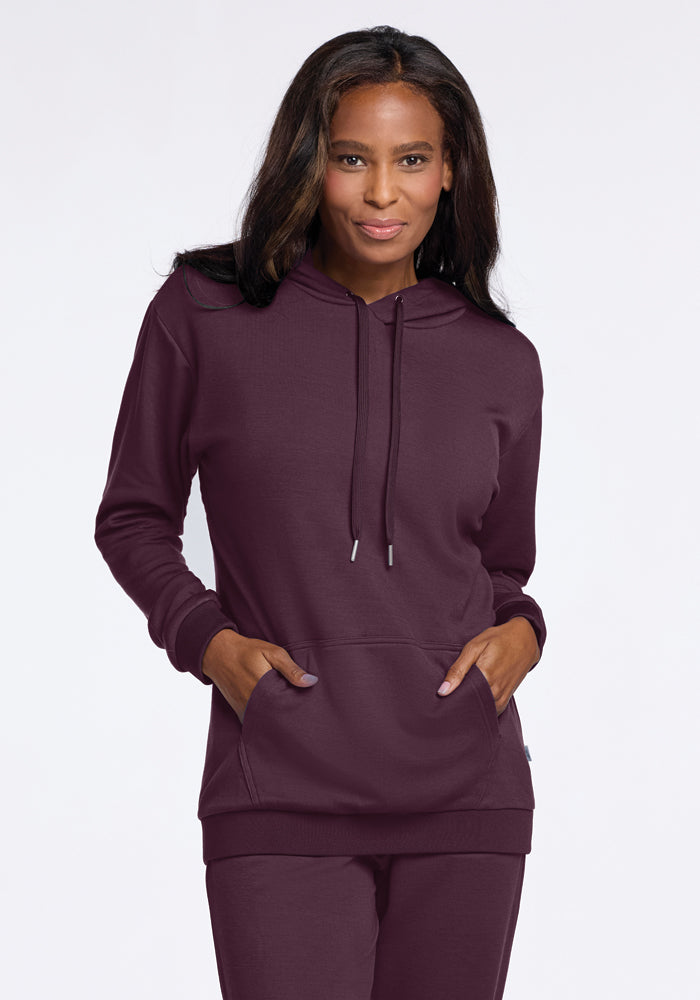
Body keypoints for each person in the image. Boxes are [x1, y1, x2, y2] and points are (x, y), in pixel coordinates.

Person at [94, 24, 547, 1000]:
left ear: (450, 172)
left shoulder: (501, 360)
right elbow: (131, 516)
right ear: (310, 163)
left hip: (466, 792)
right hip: (280, 785)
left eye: (411, 160)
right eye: (352, 159)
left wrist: (524, 631)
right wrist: (209, 642)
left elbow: (501, 565)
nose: (382, 193)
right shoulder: (202, 314)